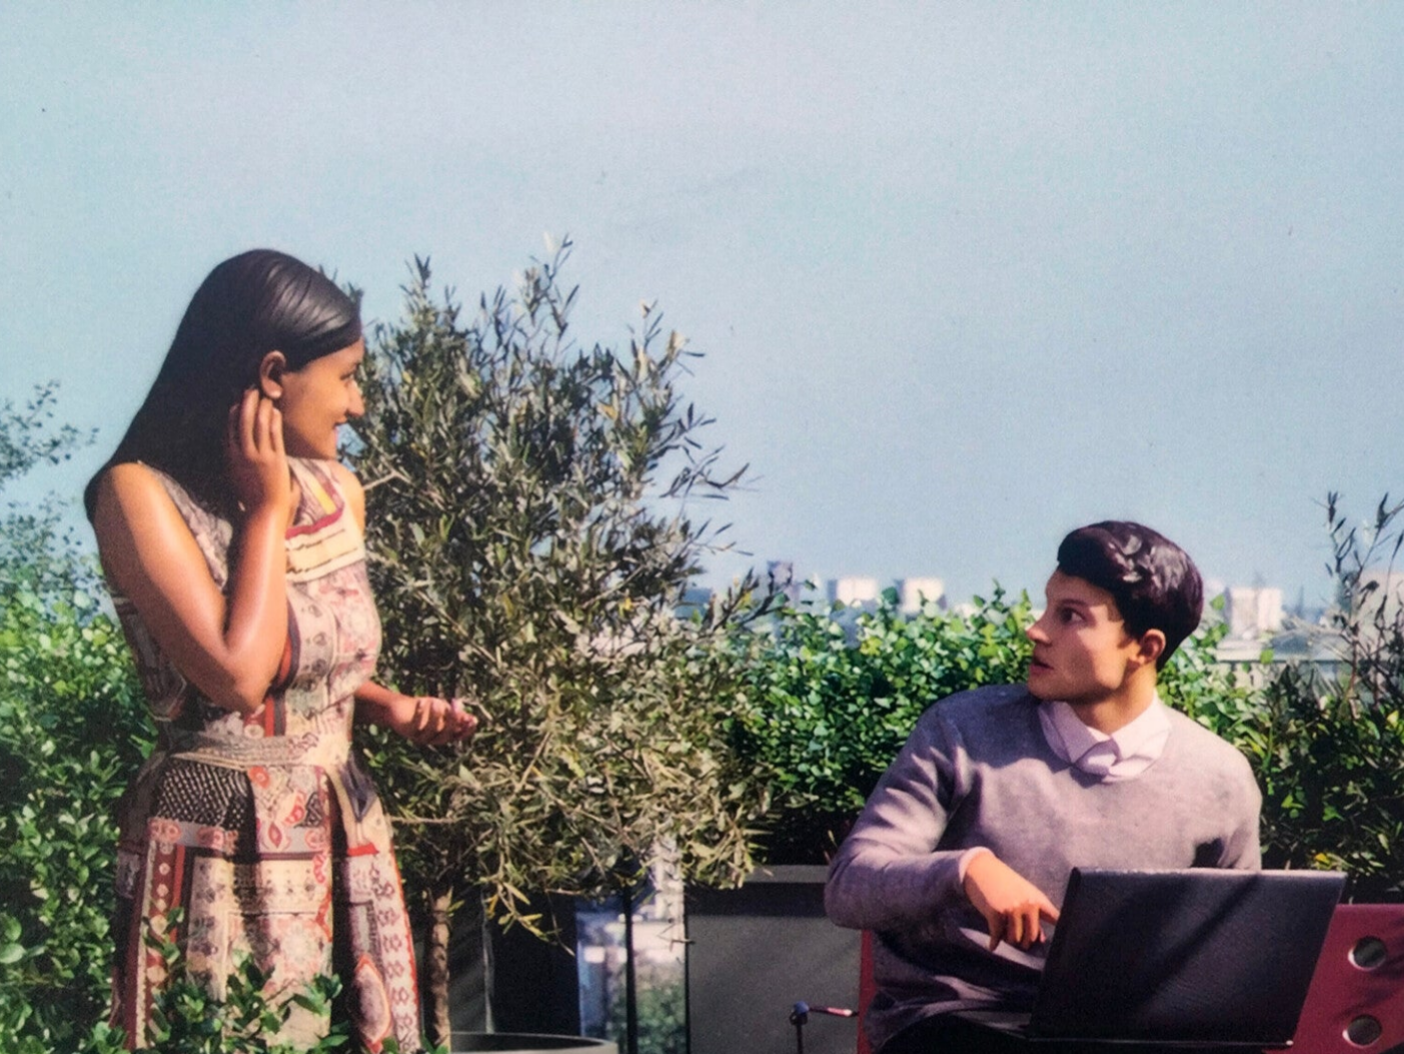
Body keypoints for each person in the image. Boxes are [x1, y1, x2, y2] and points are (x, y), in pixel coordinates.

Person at [85, 249, 478, 1052]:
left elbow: (301, 662)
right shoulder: (138, 495)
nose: (358, 404)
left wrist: (386, 705)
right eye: (346, 377)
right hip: (217, 841)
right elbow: (235, 675)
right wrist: (265, 512)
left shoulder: (339, 493)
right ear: (272, 374)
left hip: (342, 829)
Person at [825, 521, 1262, 1054]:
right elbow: (849, 886)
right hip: (959, 1024)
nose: (1036, 630)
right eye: (1047, 607)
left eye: (1070, 615)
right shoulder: (961, 732)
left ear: (1144, 648)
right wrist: (965, 870)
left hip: (1125, 1034)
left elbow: (1230, 955)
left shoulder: (1221, 777)